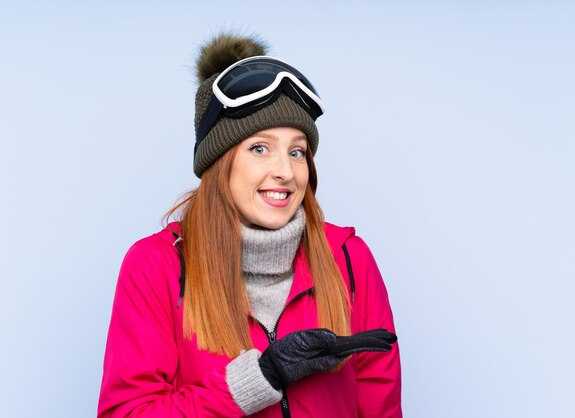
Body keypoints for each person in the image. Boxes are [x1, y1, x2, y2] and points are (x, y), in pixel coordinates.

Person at [96, 31, 402, 417]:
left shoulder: (349, 259)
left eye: (297, 151)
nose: (286, 171)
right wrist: (257, 380)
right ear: (220, 161)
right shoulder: (155, 265)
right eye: (260, 148)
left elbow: (381, 405)